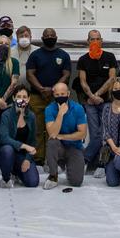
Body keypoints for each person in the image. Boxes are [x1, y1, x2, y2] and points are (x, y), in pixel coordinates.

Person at [26, 28, 71, 163]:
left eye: (52, 35)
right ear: (42, 38)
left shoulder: (63, 55)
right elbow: (29, 74)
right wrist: (41, 89)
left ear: (56, 37)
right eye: (47, 35)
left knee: (57, 129)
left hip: (57, 98)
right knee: (37, 129)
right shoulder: (35, 55)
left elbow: (66, 74)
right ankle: (38, 159)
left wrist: (53, 90)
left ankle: (54, 159)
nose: (50, 37)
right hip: (37, 96)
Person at [76, 29, 118, 174]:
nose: (95, 41)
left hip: (106, 101)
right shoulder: (83, 59)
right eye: (92, 39)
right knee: (95, 134)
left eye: (97, 39)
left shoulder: (109, 57)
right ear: (88, 41)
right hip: (90, 102)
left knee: (104, 133)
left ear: (101, 40)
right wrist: (91, 96)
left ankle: (89, 160)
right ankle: (95, 163)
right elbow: (82, 81)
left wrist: (98, 94)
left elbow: (112, 78)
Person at [43, 84, 87, 189]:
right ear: (53, 95)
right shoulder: (49, 109)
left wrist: (62, 136)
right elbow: (52, 134)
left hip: (74, 147)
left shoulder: (78, 108)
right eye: (57, 95)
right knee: (52, 142)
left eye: (63, 94)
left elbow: (82, 134)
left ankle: (67, 165)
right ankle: (53, 175)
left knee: (76, 182)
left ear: (68, 93)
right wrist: (60, 114)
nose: (60, 97)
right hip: (59, 147)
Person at [0, 87, 40, 188]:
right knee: (8, 150)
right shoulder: (6, 115)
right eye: (19, 97)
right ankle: (6, 178)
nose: (22, 99)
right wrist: (24, 146)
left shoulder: (31, 116)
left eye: (24, 97)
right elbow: (4, 138)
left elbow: (33, 142)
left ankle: (16, 172)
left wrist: (28, 159)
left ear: (28, 99)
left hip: (22, 155)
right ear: (13, 98)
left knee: (33, 182)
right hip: (6, 151)